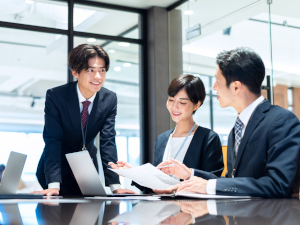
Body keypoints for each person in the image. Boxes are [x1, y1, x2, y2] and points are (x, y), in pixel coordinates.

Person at [161, 47, 300, 198]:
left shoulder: (281, 120)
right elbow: (232, 182)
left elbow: (277, 185)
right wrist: (190, 174)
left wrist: (208, 186)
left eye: (217, 81)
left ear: (235, 86)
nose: (214, 87)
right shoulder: (236, 129)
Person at [34, 44, 135, 196]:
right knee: (55, 216)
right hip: (56, 168)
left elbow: (107, 141)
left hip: (86, 171)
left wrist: (115, 185)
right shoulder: (56, 96)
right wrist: (53, 184)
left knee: (89, 216)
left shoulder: (109, 99)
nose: (98, 77)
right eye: (90, 70)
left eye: (102, 70)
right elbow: (53, 140)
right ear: (75, 72)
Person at [110, 74, 224, 193]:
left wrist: (179, 187)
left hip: (190, 207)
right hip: (162, 207)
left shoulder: (208, 138)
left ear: (196, 105)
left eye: (182, 103)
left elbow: (213, 182)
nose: (174, 107)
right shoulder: (162, 139)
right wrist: (134, 172)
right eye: (171, 100)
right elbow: (155, 184)